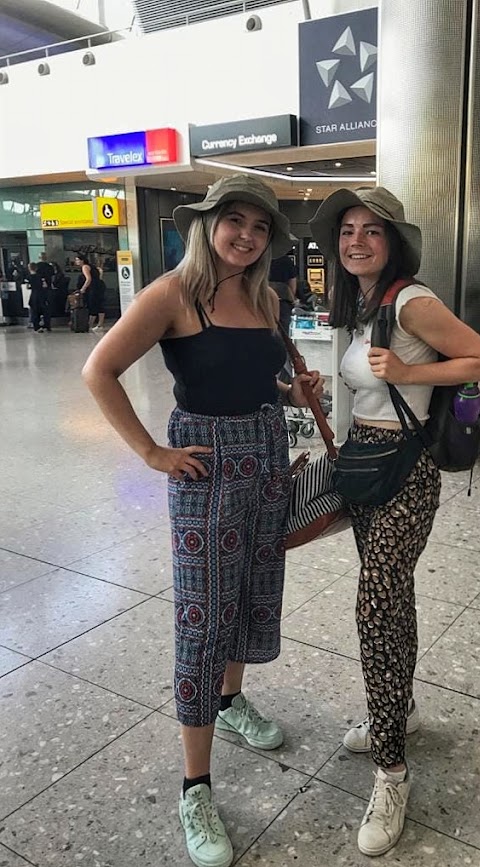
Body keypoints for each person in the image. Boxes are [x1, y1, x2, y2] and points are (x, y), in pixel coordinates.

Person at [82, 174, 323, 867]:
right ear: (207, 224)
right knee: (202, 615)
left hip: (267, 453)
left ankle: (231, 701)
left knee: (251, 591)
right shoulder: (172, 294)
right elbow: (100, 370)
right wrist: (151, 451)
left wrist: (290, 388)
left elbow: (252, 375)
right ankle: (195, 783)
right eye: (234, 222)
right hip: (205, 465)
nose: (246, 237)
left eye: (258, 229)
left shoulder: (264, 294)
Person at [309, 187, 480, 857]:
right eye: (347, 231)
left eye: (371, 231)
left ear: (393, 243)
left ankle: (391, 769)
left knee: (374, 606)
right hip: (364, 463)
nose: (356, 241)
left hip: (406, 469)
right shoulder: (358, 306)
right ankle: (402, 708)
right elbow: (369, 386)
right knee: (395, 599)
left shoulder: (410, 300)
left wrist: (414, 365)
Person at [268, 251, 298, 334]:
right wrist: (291, 297)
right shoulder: (286, 260)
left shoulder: (259, 258)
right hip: (283, 300)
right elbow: (292, 283)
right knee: (283, 332)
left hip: (261, 299)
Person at [74, 254, 105, 332]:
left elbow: (88, 279)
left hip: (93, 288)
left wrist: (83, 289)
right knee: (99, 305)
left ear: (82, 260)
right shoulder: (93, 267)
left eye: (77, 260)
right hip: (99, 286)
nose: (76, 262)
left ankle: (90, 324)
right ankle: (100, 324)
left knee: (92, 305)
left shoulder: (85, 267)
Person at [26, 262, 51, 332]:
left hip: (34, 295)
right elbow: (45, 285)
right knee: (45, 310)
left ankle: (37, 327)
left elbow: (28, 286)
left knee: (34, 311)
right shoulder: (41, 276)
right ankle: (47, 325)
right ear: (36, 268)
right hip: (42, 294)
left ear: (29, 268)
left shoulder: (28, 277)